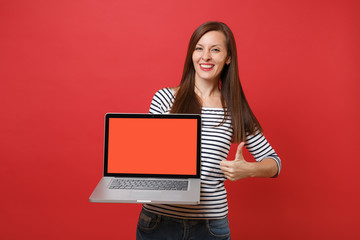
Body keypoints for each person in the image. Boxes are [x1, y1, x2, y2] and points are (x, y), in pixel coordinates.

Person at [136, 21, 281, 240]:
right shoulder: (165, 98)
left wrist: (249, 169)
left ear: (228, 58)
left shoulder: (234, 109)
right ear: (191, 54)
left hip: (210, 227)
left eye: (215, 49)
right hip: (158, 223)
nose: (206, 56)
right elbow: (146, 158)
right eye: (199, 48)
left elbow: (274, 163)